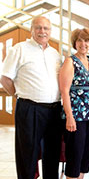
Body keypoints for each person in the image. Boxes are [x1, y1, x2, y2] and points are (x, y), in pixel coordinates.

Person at [0, 16, 63, 179]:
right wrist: (18, 95)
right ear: (32, 30)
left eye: (46, 28)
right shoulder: (19, 49)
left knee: (52, 154)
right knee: (27, 154)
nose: (42, 31)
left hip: (54, 110)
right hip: (30, 109)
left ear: (50, 31)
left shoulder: (54, 53)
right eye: (38, 28)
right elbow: (5, 78)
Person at [59, 28, 89, 179]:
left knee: (85, 156)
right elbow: (64, 91)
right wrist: (69, 117)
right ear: (74, 43)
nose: (83, 43)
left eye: (86, 40)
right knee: (74, 157)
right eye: (79, 40)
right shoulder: (70, 62)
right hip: (76, 117)